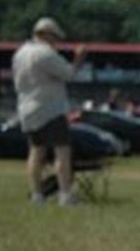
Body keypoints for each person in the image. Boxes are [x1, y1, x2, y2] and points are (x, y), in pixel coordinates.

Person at [12, 17, 87, 206]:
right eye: (55, 37)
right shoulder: (46, 54)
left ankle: (37, 194)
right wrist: (79, 57)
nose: (57, 42)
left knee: (36, 152)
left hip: (27, 108)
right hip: (50, 108)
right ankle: (65, 195)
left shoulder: (19, 53)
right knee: (62, 151)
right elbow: (68, 74)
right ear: (46, 35)